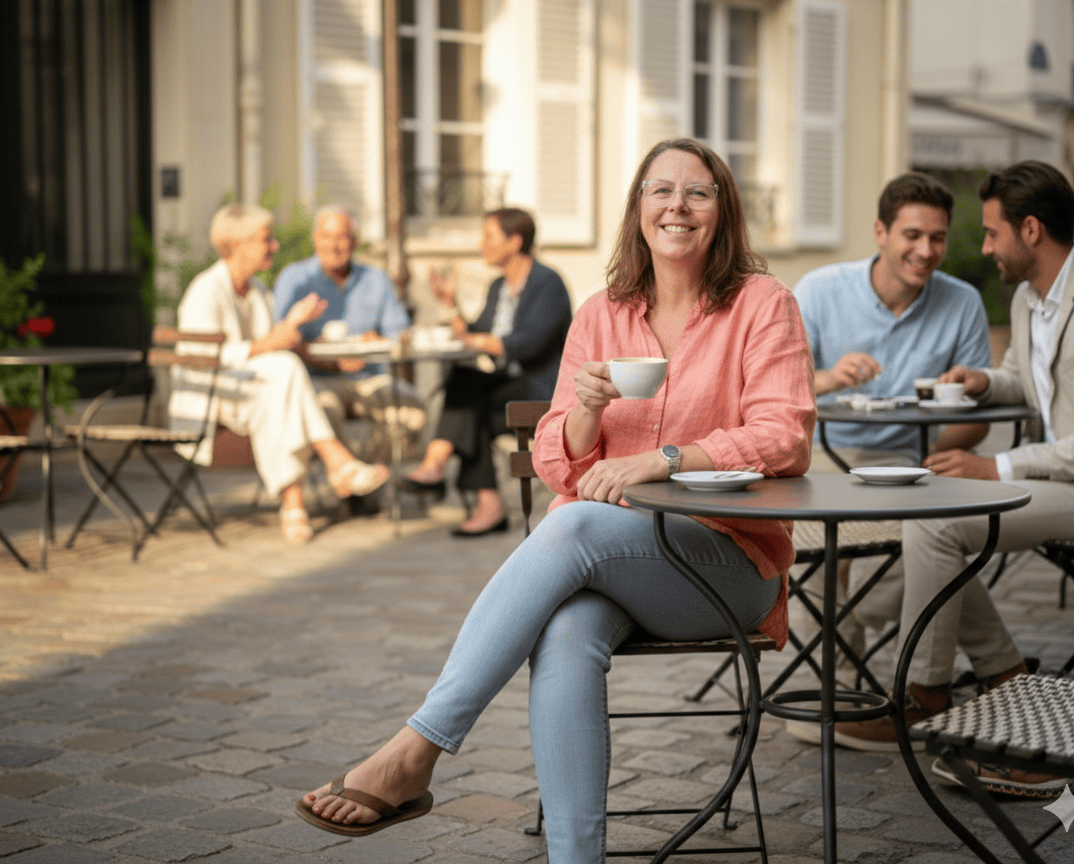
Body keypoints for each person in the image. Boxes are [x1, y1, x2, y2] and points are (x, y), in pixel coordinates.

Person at [296, 139, 817, 863]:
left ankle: (417, 746)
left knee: (570, 527)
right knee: (567, 630)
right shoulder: (604, 313)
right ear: (637, 210)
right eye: (659, 191)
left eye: (697, 193)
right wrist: (584, 414)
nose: (677, 206)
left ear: (722, 210)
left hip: (727, 562)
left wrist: (661, 460)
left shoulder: (763, 304)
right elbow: (558, 460)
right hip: (618, 562)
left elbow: (783, 435)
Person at [830, 161, 1074, 797]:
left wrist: (999, 467)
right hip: (1062, 477)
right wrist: (985, 380)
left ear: (1032, 230)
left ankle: (926, 693)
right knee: (935, 514)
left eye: (992, 234)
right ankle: (1004, 679)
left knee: (937, 519)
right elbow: (1026, 374)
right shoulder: (1029, 298)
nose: (983, 247)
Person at [169, 204, 389, 544]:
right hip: (209, 399)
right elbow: (201, 360)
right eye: (266, 239)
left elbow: (272, 349)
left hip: (251, 397)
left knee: (280, 389)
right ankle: (336, 462)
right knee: (283, 373)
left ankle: (295, 505)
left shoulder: (256, 292)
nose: (274, 246)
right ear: (238, 245)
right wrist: (275, 339)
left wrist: (292, 328)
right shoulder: (206, 291)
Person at [794, 172, 991, 469]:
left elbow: (978, 415)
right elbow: (773, 389)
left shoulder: (964, 302)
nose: (925, 251)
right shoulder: (818, 290)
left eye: (937, 238)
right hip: (820, 452)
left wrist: (927, 456)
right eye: (912, 236)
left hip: (914, 459)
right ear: (880, 233)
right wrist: (831, 378)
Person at [401, 207, 572, 536]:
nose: (482, 244)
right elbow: (479, 332)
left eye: (488, 236)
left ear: (514, 242)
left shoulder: (547, 283)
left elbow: (528, 343)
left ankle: (439, 463)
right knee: (468, 400)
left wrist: (474, 339)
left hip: (541, 391)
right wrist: (451, 305)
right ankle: (486, 503)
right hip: (506, 387)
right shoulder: (498, 286)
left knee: (466, 392)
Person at [273, 206, 426, 464]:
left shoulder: (376, 279)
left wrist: (376, 344)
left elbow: (399, 333)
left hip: (369, 377)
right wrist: (327, 360)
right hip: (316, 378)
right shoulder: (295, 279)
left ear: (355, 242)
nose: (334, 246)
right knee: (321, 412)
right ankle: (349, 483)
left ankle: (367, 478)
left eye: (342, 237)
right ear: (315, 239)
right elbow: (281, 338)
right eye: (326, 236)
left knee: (413, 411)